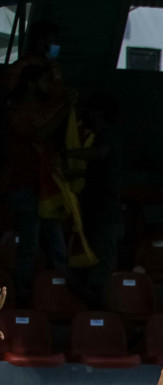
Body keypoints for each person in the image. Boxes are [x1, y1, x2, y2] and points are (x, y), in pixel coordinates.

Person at [3, 64, 68, 307]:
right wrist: (65, 109)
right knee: (28, 247)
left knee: (57, 246)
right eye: (44, 80)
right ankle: (24, 300)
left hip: (47, 189)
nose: (48, 86)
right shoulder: (17, 111)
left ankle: (61, 298)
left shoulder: (45, 108)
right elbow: (39, 134)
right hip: (24, 186)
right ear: (31, 83)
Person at [73, 92, 125, 305]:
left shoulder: (108, 136)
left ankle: (106, 316)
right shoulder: (100, 136)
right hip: (95, 213)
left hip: (107, 214)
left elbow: (100, 153)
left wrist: (68, 154)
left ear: (99, 114)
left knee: (101, 271)